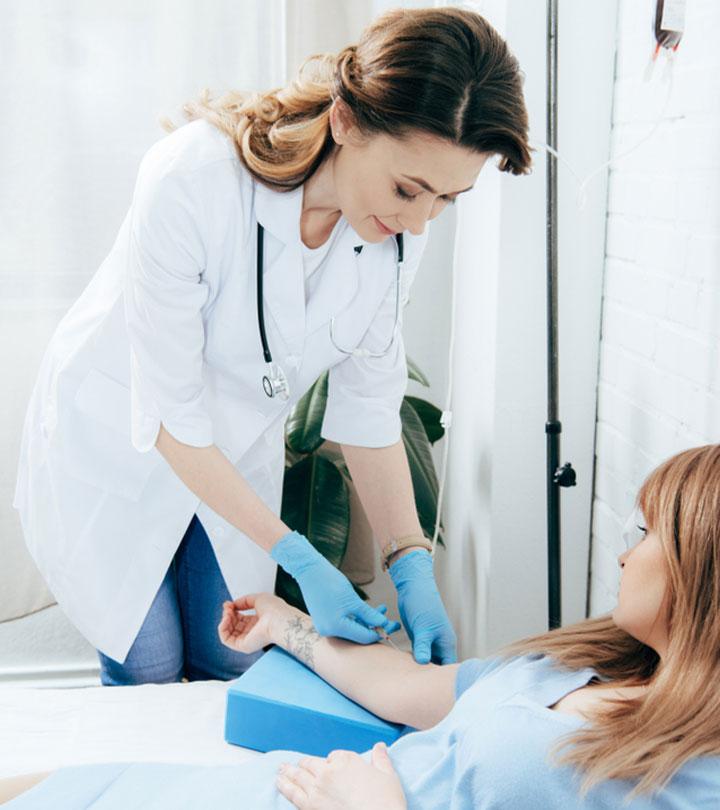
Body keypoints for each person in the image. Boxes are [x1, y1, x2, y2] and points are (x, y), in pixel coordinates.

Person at [12, 6, 531, 685]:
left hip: (229, 455)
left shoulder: (398, 236)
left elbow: (369, 410)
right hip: (121, 443)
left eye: (446, 199)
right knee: (150, 666)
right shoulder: (193, 180)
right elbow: (169, 416)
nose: (418, 218)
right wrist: (303, 560)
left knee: (230, 654)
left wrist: (411, 563)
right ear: (347, 121)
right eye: (408, 188)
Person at [4, 443, 720, 808]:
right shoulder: (594, 664)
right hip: (271, 791)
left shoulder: (695, 774)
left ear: (704, 571)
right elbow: (406, 687)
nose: (625, 550)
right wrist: (287, 625)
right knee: (61, 788)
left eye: (647, 529)